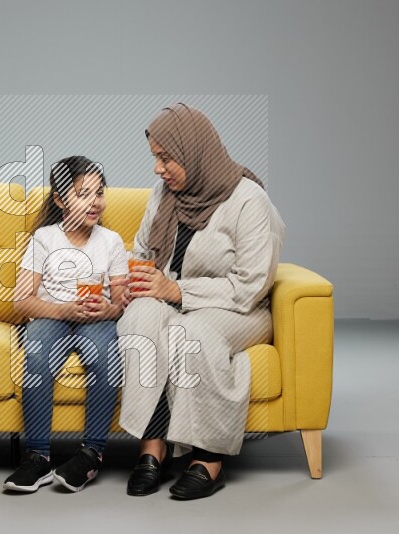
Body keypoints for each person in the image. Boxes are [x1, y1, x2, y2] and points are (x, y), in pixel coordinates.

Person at [114, 103, 285, 500]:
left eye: (165, 157)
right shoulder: (164, 194)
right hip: (178, 298)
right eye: (155, 158)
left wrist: (178, 291)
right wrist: (133, 280)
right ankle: (152, 447)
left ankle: (208, 458)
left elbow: (252, 285)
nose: (158, 168)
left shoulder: (249, 200)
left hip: (237, 309)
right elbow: (144, 250)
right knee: (141, 316)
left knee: (191, 331)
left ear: (194, 151)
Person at [3, 156, 128, 493]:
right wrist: (64, 311)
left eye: (99, 193)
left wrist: (108, 309)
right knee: (38, 358)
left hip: (95, 319)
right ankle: (38, 458)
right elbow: (21, 301)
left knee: (106, 358)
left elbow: (121, 303)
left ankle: (91, 454)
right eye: (83, 193)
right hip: (52, 315)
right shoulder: (44, 238)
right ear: (60, 200)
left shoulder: (111, 241)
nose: (95, 201)